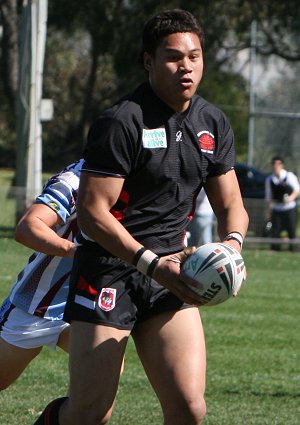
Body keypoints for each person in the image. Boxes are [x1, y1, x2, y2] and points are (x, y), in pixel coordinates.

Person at [34, 9, 249, 425]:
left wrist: (232, 246)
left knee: (189, 409)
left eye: (195, 56)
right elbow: (93, 213)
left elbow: (230, 204)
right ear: (148, 61)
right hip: (109, 272)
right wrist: (149, 264)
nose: (186, 66)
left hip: (174, 270)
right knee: (89, 413)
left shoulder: (213, 123)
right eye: (172, 57)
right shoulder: (122, 121)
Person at [0, 160, 82, 390]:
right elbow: (28, 227)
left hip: (88, 304)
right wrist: (77, 252)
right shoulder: (74, 180)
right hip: (36, 306)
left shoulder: (137, 184)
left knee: (98, 395)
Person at [265, 156, 300, 251]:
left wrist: (290, 198)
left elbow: (297, 189)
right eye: (274, 164)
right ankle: (275, 249)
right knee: (275, 231)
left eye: (278, 164)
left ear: (282, 165)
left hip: (289, 208)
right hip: (277, 208)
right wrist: (269, 211)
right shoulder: (270, 179)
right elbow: (269, 197)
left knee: (291, 230)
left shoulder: (289, 176)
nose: (276, 166)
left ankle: (293, 249)